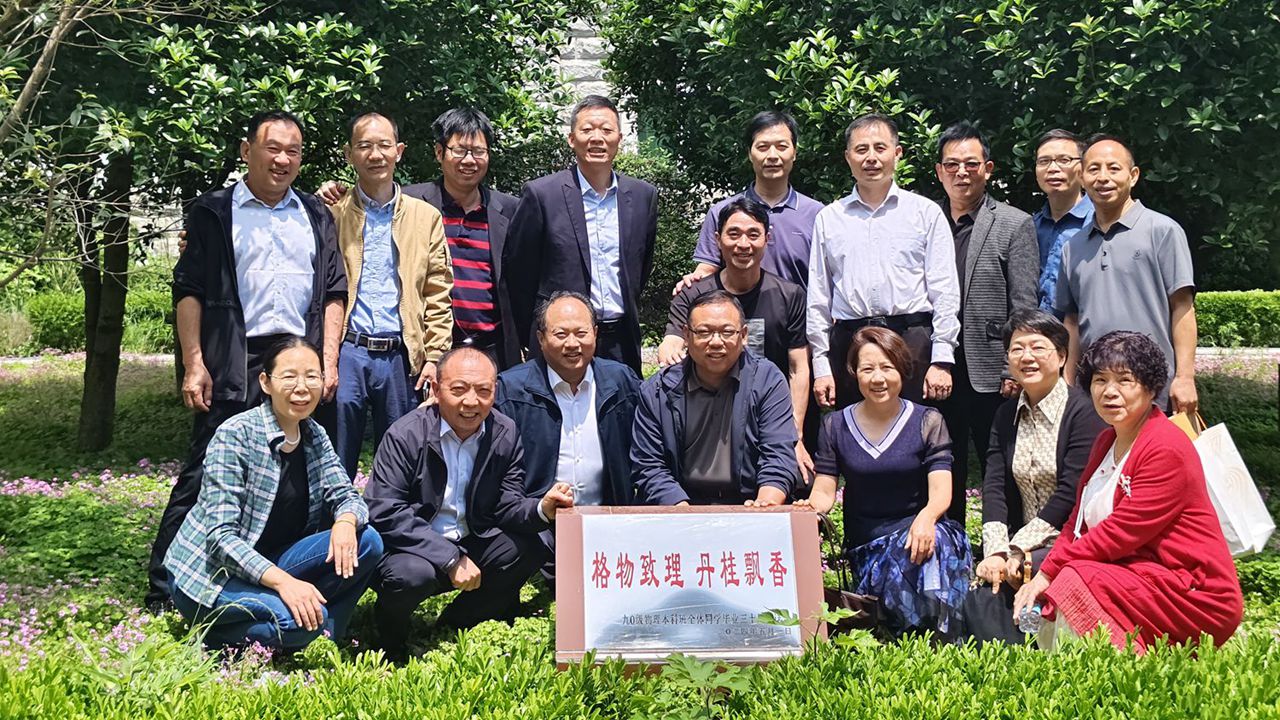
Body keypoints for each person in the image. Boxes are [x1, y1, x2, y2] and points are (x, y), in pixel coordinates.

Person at [147, 110, 348, 611]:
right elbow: (189, 291)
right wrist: (195, 363)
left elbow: (333, 292)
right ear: (246, 151)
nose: (282, 160)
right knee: (203, 470)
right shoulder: (213, 212)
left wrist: (328, 361)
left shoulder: (315, 212)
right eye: (272, 148)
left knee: (304, 469)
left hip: (299, 359)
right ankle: (165, 588)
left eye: (293, 151)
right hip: (235, 357)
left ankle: (296, 576)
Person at [1013, 331, 1242, 651]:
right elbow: (1076, 524)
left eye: (1124, 380)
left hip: (1193, 590)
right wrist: (1046, 572)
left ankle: (1093, 677)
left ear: (1150, 388)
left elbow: (1119, 533)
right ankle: (1064, 674)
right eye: (1100, 380)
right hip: (1137, 574)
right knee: (1065, 576)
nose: (1109, 391)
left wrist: (1049, 572)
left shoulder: (1165, 448)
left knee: (1075, 578)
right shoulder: (1106, 441)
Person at [164, 337, 383, 650]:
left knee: (368, 541)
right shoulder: (236, 435)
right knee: (300, 622)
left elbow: (346, 495)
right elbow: (221, 539)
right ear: (266, 382)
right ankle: (214, 633)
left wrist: (346, 522)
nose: (302, 387)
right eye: (289, 376)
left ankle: (323, 636)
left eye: (312, 376)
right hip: (212, 574)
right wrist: (285, 583)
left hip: (269, 560)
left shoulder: (313, 434)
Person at [364, 347, 575, 659]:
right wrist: (449, 559)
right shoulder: (406, 434)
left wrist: (541, 509)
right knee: (410, 576)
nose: (471, 402)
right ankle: (389, 638)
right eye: (459, 390)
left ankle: (456, 623)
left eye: (483, 391)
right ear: (436, 389)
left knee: (529, 549)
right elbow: (384, 509)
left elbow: (506, 504)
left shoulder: (504, 432)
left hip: (471, 538)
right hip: (414, 547)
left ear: (495, 391)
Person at [798, 327, 971, 640]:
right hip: (868, 543)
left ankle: (938, 637)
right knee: (898, 591)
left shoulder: (927, 421)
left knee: (938, 542)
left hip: (918, 532)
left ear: (902, 370)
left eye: (887, 367)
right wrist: (808, 511)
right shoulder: (835, 425)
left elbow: (941, 490)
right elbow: (824, 490)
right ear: (854, 373)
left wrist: (926, 518)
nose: (878, 378)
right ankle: (909, 631)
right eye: (867, 369)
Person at [319, 108, 523, 368]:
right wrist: (330, 193)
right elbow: (365, 201)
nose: (469, 160)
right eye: (460, 150)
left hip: (493, 349)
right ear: (439, 152)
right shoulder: (410, 203)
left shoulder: (511, 211)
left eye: (478, 151)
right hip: (427, 350)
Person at [964, 310, 1105, 644]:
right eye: (1017, 349)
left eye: (1037, 347)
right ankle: (1009, 657)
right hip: (1021, 541)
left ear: (1061, 356)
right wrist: (995, 552)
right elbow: (995, 485)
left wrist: (1016, 549)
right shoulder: (1005, 414)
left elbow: (1072, 492)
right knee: (985, 591)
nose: (1026, 357)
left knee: (1025, 570)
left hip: (1072, 539)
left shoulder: (1084, 412)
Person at [329, 111, 454, 478]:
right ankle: (333, 514)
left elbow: (438, 290)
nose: (375, 155)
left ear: (398, 151)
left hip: (402, 353)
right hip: (347, 349)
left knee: (401, 457)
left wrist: (435, 355)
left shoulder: (425, 217)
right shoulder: (332, 214)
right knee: (336, 453)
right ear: (349, 154)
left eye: (384, 145)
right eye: (364, 146)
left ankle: (393, 516)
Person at [807, 113, 960, 410]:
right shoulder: (829, 218)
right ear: (848, 157)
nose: (871, 158)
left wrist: (941, 359)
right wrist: (822, 365)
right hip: (850, 345)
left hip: (913, 341)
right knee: (853, 432)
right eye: (861, 149)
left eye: (880, 148)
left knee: (918, 429)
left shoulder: (924, 213)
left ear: (897, 153)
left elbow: (945, 291)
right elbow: (818, 298)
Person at [657, 198, 813, 486]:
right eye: (733, 234)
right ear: (717, 240)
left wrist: (795, 436)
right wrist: (670, 346)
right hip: (705, 417)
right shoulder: (693, 295)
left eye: (753, 234)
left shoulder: (789, 295)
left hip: (768, 412)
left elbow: (798, 368)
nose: (743, 244)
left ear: (767, 239)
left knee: (799, 480)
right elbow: (671, 345)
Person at [504, 95, 658, 374]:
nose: (597, 138)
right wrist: (534, 334)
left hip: (621, 339)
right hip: (563, 341)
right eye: (587, 130)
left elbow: (641, 265)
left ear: (619, 138)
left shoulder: (642, 196)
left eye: (606, 130)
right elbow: (519, 273)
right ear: (572, 139)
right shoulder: (542, 195)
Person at [933, 121, 1039, 523]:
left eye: (971, 164)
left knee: (1000, 466)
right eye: (952, 164)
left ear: (988, 169)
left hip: (992, 369)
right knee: (943, 463)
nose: (961, 172)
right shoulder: (926, 219)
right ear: (940, 171)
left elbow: (1024, 303)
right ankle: (951, 546)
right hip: (937, 365)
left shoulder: (1014, 222)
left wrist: (1015, 366)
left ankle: (1004, 547)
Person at [495, 292, 641, 582]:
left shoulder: (621, 381)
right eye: (560, 334)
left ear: (595, 334)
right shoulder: (511, 389)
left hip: (608, 519)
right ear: (541, 338)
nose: (572, 344)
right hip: (538, 524)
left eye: (581, 333)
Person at [1055, 134, 1197, 413]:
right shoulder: (1073, 247)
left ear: (1133, 176)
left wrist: (1185, 377)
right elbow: (1071, 321)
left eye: (1113, 168)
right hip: (1095, 392)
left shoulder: (1162, 231)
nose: (1103, 177)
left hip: (1153, 388)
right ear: (1081, 178)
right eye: (1093, 169)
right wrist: (1069, 386)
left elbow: (1182, 308)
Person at [632, 291, 799, 506]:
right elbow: (649, 465)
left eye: (727, 332)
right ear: (686, 335)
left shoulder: (767, 380)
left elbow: (778, 454)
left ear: (744, 335)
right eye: (704, 332)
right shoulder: (658, 390)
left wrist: (765, 504)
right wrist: (683, 513)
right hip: (679, 506)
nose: (716, 342)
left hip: (747, 503)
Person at [677, 110, 824, 289]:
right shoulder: (723, 211)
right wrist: (693, 282)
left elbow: (827, 277)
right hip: (735, 307)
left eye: (781, 146)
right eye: (762, 147)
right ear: (749, 153)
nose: (772, 156)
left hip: (797, 308)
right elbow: (708, 269)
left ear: (794, 153)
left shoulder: (817, 214)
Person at [1030, 129, 1093, 312]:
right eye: (1044, 161)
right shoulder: (1031, 226)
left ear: (1083, 168)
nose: (1052, 169)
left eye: (1064, 160)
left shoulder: (1099, 223)